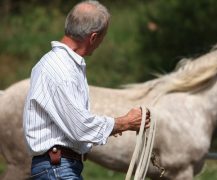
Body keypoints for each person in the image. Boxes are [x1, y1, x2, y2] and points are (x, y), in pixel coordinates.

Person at [23, 1, 150, 179]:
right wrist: (125, 123)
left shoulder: (55, 64)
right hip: (58, 169)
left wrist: (109, 128)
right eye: (102, 38)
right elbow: (80, 127)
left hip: (57, 167)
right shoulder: (63, 70)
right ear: (93, 37)